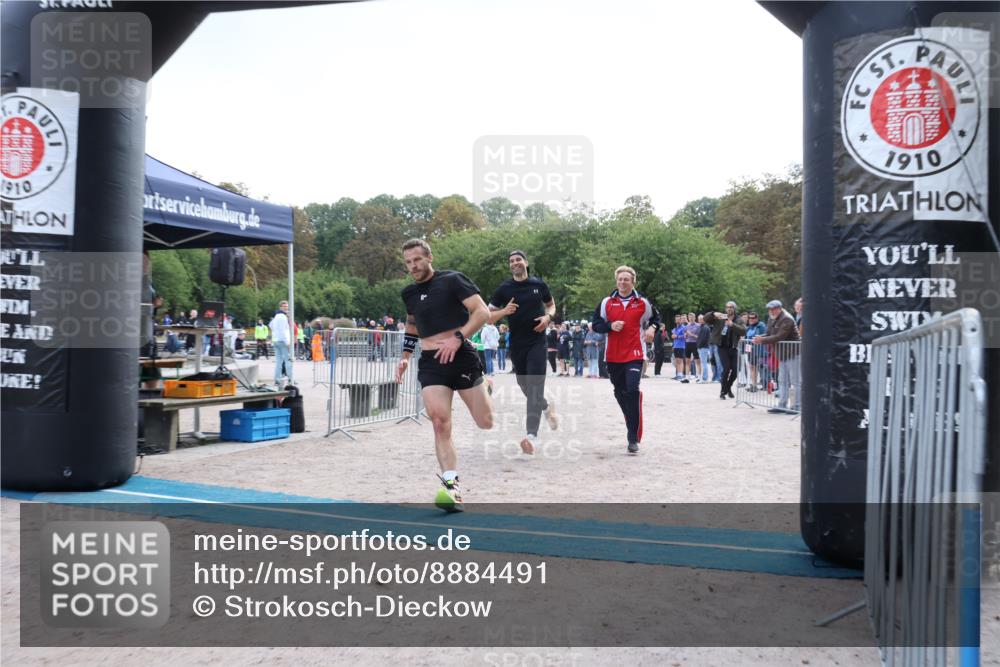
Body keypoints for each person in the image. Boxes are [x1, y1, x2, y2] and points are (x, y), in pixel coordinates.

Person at [396, 239, 494, 512]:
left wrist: (457, 338)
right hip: (431, 363)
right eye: (408, 262)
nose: (413, 266)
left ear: (429, 257)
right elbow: (412, 324)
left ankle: (485, 386)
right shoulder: (409, 293)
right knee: (440, 422)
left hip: (461, 356)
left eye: (417, 259)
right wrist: (405, 357)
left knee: (485, 422)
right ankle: (452, 489)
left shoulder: (452, 280)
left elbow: (482, 312)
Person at [487, 249, 559, 454]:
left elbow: (551, 305)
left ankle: (531, 437)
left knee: (535, 385)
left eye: (518, 259)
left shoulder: (539, 285)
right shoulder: (504, 288)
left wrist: (548, 317)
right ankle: (545, 407)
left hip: (537, 342)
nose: (514, 263)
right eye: (511, 261)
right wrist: (504, 311)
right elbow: (487, 316)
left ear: (526, 263)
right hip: (517, 345)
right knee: (525, 386)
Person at [591, 265, 660, 455]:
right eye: (620, 279)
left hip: (635, 353)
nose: (622, 282)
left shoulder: (642, 303)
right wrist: (610, 326)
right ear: (616, 281)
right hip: (613, 355)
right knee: (620, 392)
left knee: (632, 389)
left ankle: (632, 437)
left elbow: (656, 319)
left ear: (633, 282)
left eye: (626, 279)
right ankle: (631, 416)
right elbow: (596, 324)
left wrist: (652, 328)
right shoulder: (606, 302)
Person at [753, 299, 801, 413]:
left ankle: (798, 406)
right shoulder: (772, 318)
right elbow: (769, 334)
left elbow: (780, 336)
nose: (771, 311)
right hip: (782, 353)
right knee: (782, 380)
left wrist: (762, 340)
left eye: (773, 309)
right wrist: (759, 337)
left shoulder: (787, 319)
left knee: (795, 381)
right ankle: (782, 405)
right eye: (770, 309)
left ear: (779, 309)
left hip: (793, 353)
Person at [704, 301, 745, 400]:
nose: (729, 308)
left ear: (734, 308)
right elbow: (706, 319)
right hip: (722, 347)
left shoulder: (738, 319)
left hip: (733, 347)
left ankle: (728, 387)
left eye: (731, 307)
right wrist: (713, 313)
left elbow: (743, 331)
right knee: (726, 369)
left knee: (735, 370)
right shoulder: (721, 317)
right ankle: (723, 391)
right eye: (727, 307)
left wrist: (732, 325)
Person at [743, 311, 767, 392]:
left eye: (753, 318)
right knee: (752, 367)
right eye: (750, 318)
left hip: (760, 350)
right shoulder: (749, 327)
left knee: (762, 368)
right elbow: (747, 338)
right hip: (750, 349)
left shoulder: (761, 325)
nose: (751, 319)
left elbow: (766, 335)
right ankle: (754, 385)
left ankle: (766, 385)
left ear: (757, 318)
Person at [270, 300, 292, 386]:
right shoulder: (283, 317)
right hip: (282, 341)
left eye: (287, 306)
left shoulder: (276, 316)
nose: (286, 308)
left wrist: (275, 334)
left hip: (276, 340)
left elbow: (270, 325)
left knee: (279, 361)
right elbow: (283, 331)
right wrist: (287, 342)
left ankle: (277, 380)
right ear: (280, 307)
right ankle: (290, 379)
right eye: (284, 306)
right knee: (288, 360)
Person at [696, 314, 712, 382]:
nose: (700, 320)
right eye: (699, 319)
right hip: (702, 347)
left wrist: (699, 346)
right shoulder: (702, 327)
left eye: (701, 319)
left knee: (703, 364)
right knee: (703, 363)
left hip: (703, 347)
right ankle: (704, 378)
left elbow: (703, 339)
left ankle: (704, 378)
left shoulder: (705, 327)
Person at [671, 314, 687, 381]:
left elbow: (685, 336)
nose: (677, 321)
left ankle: (681, 374)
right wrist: (673, 337)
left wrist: (677, 336)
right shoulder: (674, 329)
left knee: (680, 361)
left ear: (681, 320)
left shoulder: (684, 327)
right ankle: (678, 374)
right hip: (676, 346)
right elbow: (673, 336)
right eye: (676, 320)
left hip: (681, 346)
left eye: (678, 319)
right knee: (677, 361)